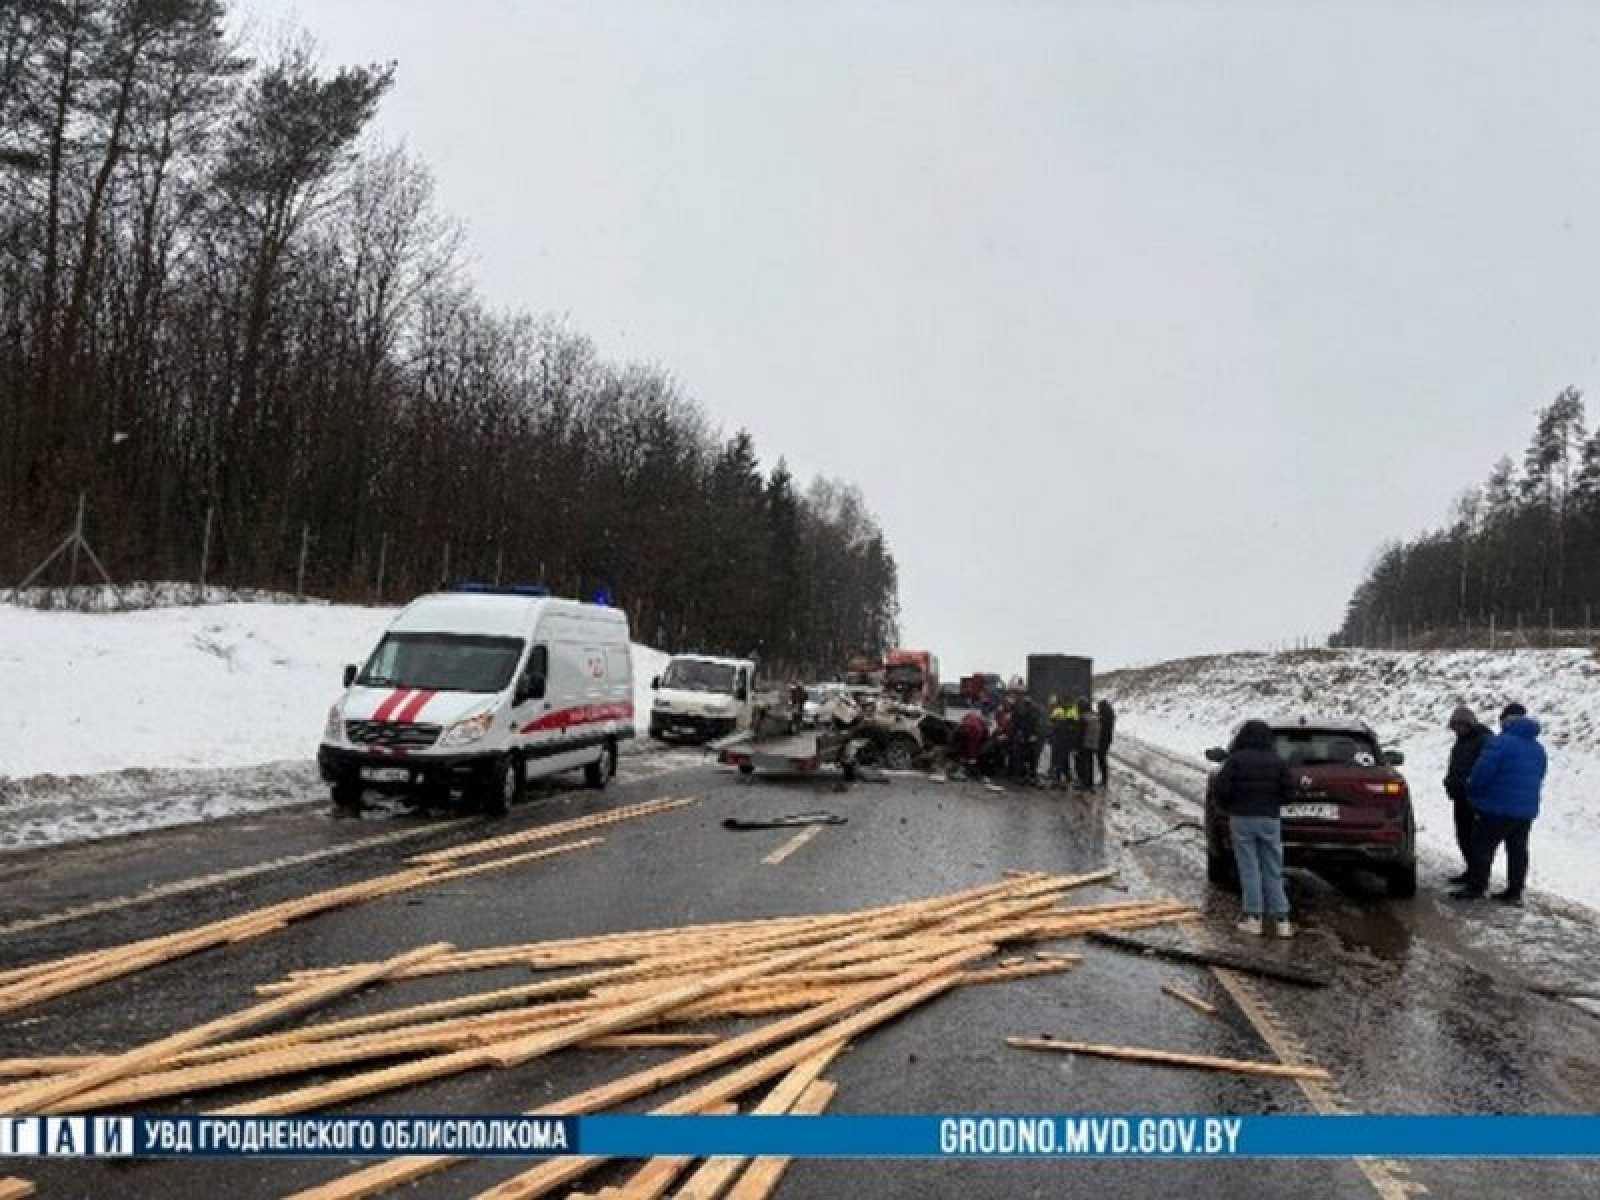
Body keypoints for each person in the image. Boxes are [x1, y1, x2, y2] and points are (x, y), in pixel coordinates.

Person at [1452, 703, 1546, 906]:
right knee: (1518, 850)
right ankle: (1514, 890)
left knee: (1482, 847)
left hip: (1496, 807)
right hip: (1525, 810)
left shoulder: (1500, 743)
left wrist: (1472, 792)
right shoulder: (1538, 748)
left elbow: (1481, 774)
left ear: (1505, 721)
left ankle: (1477, 886)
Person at [1213, 719, 1296, 937]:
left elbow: (1221, 788)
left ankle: (1254, 918)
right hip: (1270, 819)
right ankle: (1282, 920)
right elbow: (1289, 792)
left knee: (1249, 868)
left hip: (1242, 819)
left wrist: (1228, 806)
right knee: (1273, 868)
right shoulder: (1277, 761)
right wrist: (1275, 804)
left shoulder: (1235, 760)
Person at [1442, 705, 1492, 884]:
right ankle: (1471, 870)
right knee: (1463, 835)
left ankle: (1478, 877)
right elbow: (1457, 765)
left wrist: (1468, 785)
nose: (1457, 730)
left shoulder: (1483, 740)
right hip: (1460, 796)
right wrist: (1450, 781)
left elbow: (1484, 770)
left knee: (1475, 838)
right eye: (1454, 726)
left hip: (1476, 798)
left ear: (1469, 724)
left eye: (1460, 726)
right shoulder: (1461, 741)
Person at [1009, 693, 1040, 782]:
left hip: (1029, 738)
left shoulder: (1033, 714)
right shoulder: (1019, 712)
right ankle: (1018, 775)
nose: (1027, 706)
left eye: (1028, 704)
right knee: (1019, 757)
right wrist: (1018, 735)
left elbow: (1036, 725)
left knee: (1032, 757)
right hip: (1021, 738)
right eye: (1026, 704)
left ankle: (1031, 775)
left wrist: (1034, 735)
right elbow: (1015, 725)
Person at [1048, 696, 1078, 786]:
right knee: (1063, 758)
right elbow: (1052, 721)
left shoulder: (1060, 710)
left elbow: (1052, 721)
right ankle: (1063, 777)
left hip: (1062, 738)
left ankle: (1059, 777)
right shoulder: (1071, 710)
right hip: (1063, 738)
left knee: (1060, 758)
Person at [1075, 698, 1100, 790]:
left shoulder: (1083, 717)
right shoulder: (1095, 716)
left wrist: (1077, 746)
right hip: (1094, 744)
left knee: (1083, 764)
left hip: (1084, 744)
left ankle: (1084, 783)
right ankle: (1090, 783)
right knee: (1090, 763)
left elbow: (1080, 734)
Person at [1096, 698, 1117, 787]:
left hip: (1103, 739)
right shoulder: (1109, 714)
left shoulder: (1106, 716)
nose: (1098, 709)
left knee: (1101, 758)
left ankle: (1104, 779)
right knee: (1101, 758)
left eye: (1099, 708)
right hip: (1105, 739)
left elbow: (1103, 725)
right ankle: (1104, 778)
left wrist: (1099, 719)